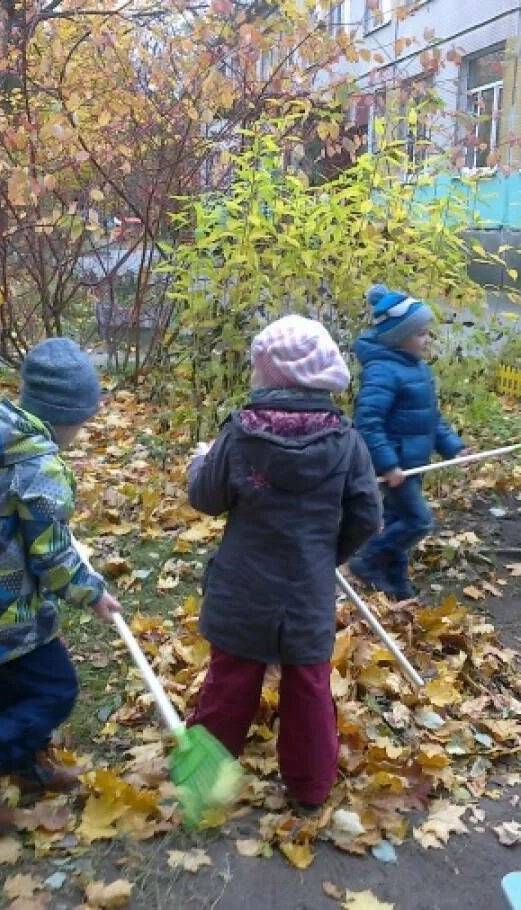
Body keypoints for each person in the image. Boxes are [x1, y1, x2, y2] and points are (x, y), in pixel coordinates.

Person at [187, 315, 381, 811]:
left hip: (242, 588)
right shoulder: (346, 440)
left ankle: (203, 782)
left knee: (229, 683)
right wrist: (325, 556)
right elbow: (366, 515)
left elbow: (207, 498)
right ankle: (310, 788)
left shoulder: (241, 434)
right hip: (306, 591)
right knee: (309, 689)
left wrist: (200, 463)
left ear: (271, 374)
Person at [0, 338, 122, 831]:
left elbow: (19, 527)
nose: (83, 431)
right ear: (66, 416)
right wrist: (92, 591)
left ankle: (27, 763)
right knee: (55, 691)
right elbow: (53, 556)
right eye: (84, 421)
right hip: (6, 607)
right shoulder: (39, 469)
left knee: (12, 696)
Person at [348, 286, 470, 599]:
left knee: (398, 521)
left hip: (414, 462)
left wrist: (453, 446)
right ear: (398, 336)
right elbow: (368, 423)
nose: (427, 340)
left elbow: (431, 418)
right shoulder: (382, 372)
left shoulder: (417, 368)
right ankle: (367, 561)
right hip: (397, 465)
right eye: (420, 335)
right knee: (418, 522)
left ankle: (397, 586)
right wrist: (387, 465)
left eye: (427, 334)